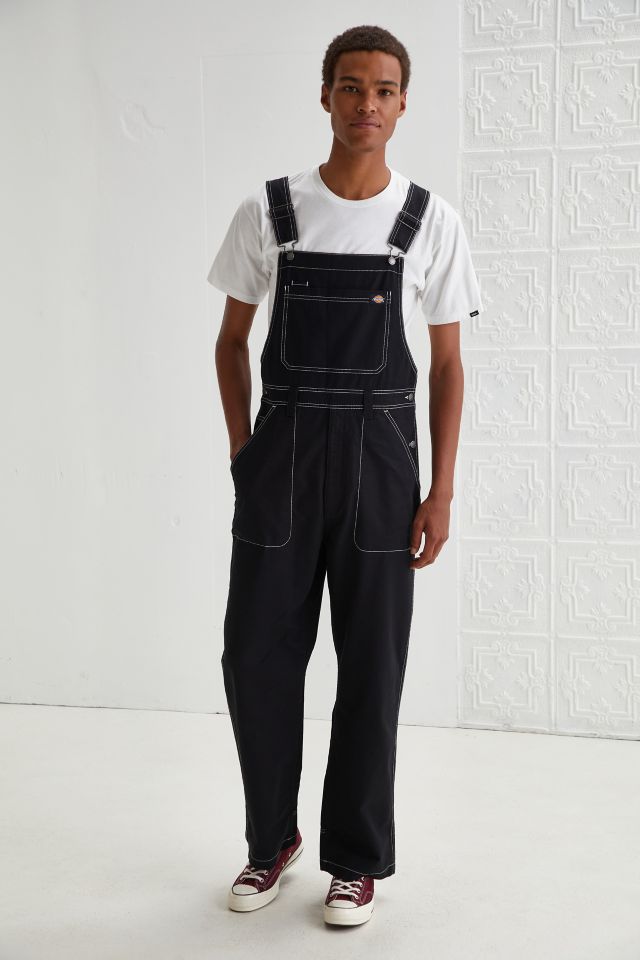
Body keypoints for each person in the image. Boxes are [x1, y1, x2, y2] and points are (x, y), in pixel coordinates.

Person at [207, 24, 483, 926]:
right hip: (280, 465)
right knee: (255, 656)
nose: (368, 104)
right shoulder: (270, 211)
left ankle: (356, 861)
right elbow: (231, 342)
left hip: (381, 468)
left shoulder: (430, 221)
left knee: (372, 664)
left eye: (385, 90)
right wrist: (245, 452)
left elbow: (447, 365)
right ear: (324, 94)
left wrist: (440, 490)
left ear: (404, 105)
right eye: (352, 86)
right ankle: (270, 842)